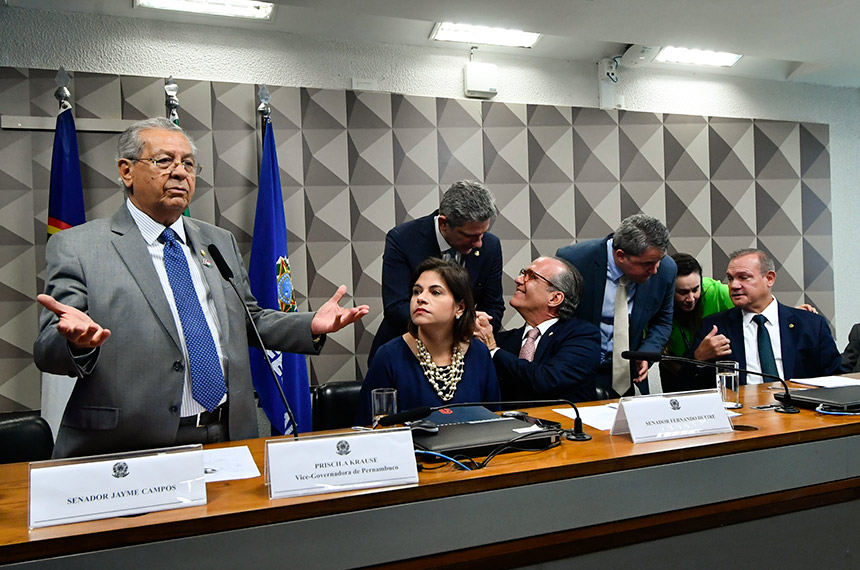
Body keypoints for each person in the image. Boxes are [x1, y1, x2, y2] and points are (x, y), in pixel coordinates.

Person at [34, 117, 368, 459]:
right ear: (127, 171)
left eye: (189, 164)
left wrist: (308, 325)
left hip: (226, 433)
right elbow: (48, 349)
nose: (180, 172)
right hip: (130, 442)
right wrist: (75, 343)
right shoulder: (79, 246)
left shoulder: (217, 240)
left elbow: (248, 318)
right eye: (164, 161)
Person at [368, 180, 504, 365]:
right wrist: (457, 325)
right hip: (406, 354)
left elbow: (494, 306)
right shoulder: (403, 239)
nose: (479, 243)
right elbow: (396, 307)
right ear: (443, 224)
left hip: (464, 355)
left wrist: (481, 325)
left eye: (482, 234)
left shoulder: (491, 246)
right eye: (470, 236)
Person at [357, 258, 499, 425]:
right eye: (417, 291)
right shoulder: (388, 356)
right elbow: (370, 426)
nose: (421, 298)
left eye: (435, 292)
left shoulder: (479, 353)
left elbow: (494, 420)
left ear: (460, 308)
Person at [556, 214, 676, 397]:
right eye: (648, 264)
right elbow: (555, 316)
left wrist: (647, 351)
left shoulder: (666, 270)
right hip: (577, 375)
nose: (655, 270)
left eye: (659, 260)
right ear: (620, 256)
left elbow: (663, 321)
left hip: (628, 378)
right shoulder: (574, 261)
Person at [690, 249, 840, 385]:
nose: (734, 285)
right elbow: (687, 386)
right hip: (742, 411)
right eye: (730, 278)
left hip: (799, 410)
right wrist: (699, 358)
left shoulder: (811, 324)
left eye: (743, 277)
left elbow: (835, 378)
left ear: (769, 279)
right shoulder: (714, 327)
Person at [474, 256, 601, 403]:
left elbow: (549, 381)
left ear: (554, 298)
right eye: (523, 273)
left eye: (531, 276)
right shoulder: (503, 340)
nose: (518, 279)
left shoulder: (583, 336)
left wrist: (492, 350)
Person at [660, 253, 734, 392]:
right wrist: (690, 370)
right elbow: (662, 355)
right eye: (682, 292)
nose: (691, 298)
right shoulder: (657, 301)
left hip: (716, 371)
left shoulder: (717, 291)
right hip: (675, 370)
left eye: (695, 289)